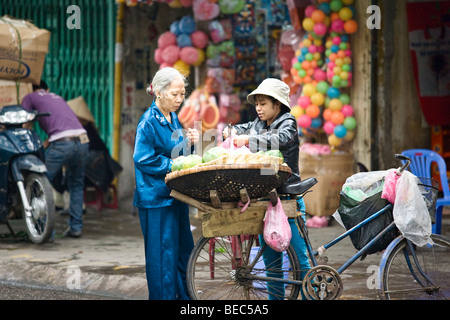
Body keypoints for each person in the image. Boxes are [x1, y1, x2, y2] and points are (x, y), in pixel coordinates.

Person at [222, 78, 311, 300]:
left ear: (277, 104)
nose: (259, 109)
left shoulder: (288, 122)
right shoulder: (257, 124)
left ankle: (314, 295)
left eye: (263, 104)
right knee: (272, 266)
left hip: (288, 197)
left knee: (300, 262)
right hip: (266, 198)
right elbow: (239, 128)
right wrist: (229, 131)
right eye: (257, 104)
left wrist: (247, 140)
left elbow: (279, 139)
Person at [133, 67, 199, 300]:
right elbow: (142, 158)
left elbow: (176, 153)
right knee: (162, 256)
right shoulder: (148, 121)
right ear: (158, 92)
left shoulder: (173, 117)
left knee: (182, 252)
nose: (180, 99)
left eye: (182, 94)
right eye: (175, 94)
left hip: (175, 195)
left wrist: (190, 144)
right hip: (156, 199)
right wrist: (171, 165)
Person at [21, 80, 89, 238]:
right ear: (47, 89)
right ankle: (76, 228)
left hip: (62, 143)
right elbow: (61, 127)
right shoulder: (57, 97)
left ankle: (46, 231)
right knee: (76, 185)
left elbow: (23, 124)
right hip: (82, 140)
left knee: (40, 183)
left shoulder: (30, 96)